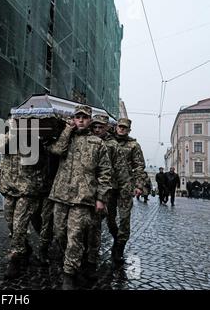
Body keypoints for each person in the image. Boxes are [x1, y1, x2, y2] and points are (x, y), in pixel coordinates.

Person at [45, 105, 111, 289]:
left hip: (83, 198)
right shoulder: (67, 137)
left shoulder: (97, 143)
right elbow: (57, 151)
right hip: (61, 195)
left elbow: (105, 173)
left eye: (84, 117)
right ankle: (75, 259)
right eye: (77, 117)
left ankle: (69, 274)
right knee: (59, 233)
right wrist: (67, 129)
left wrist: (101, 198)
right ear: (73, 119)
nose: (80, 120)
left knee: (75, 236)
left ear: (90, 120)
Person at [0, 121, 52, 279]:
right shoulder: (4, 137)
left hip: (26, 190)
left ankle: (16, 259)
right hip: (9, 188)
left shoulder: (34, 140)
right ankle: (25, 248)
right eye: (14, 122)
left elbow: (41, 162)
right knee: (10, 223)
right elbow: (3, 147)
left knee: (19, 224)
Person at [87, 114, 130, 279]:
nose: (97, 130)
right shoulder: (87, 140)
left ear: (107, 128)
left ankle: (98, 256)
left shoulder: (113, 146)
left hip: (108, 191)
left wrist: (127, 191)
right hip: (88, 190)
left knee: (101, 223)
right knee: (90, 225)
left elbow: (121, 170)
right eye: (95, 127)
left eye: (101, 127)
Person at [112, 118, 146, 264]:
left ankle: (119, 248)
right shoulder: (108, 142)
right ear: (116, 127)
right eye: (120, 127)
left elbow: (139, 167)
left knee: (124, 219)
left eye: (125, 128)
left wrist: (139, 186)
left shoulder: (134, 146)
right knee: (109, 219)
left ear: (129, 130)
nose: (122, 129)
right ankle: (116, 238)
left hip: (125, 186)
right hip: (108, 186)